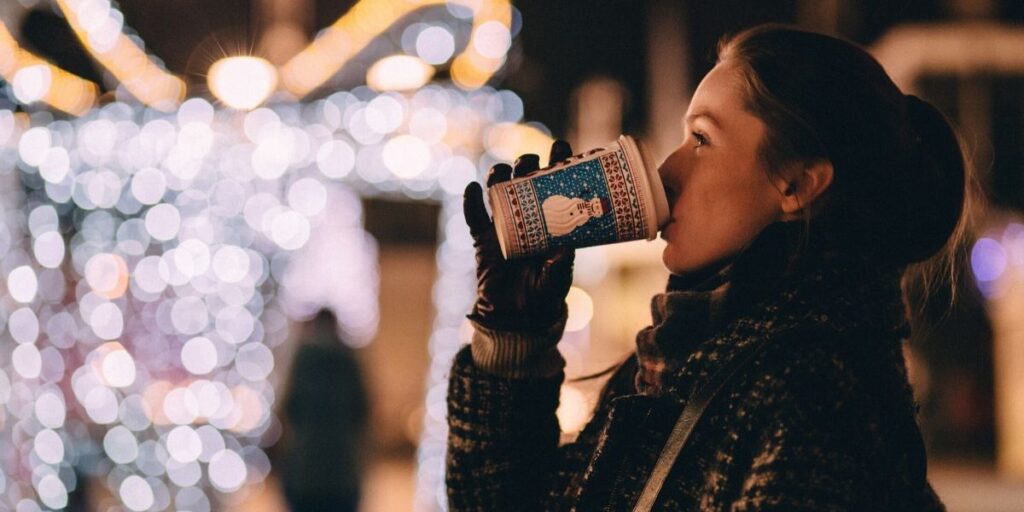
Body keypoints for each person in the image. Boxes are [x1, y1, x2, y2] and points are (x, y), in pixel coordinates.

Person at [447, 24, 968, 511]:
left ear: (798, 185)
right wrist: (514, 340)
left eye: (701, 139)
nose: (667, 171)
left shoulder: (812, 395)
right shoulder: (680, 359)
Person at [276, 309, 369, 512]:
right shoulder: (348, 360)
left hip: (306, 471)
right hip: (342, 471)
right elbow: (362, 409)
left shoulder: (303, 360)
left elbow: (290, 408)